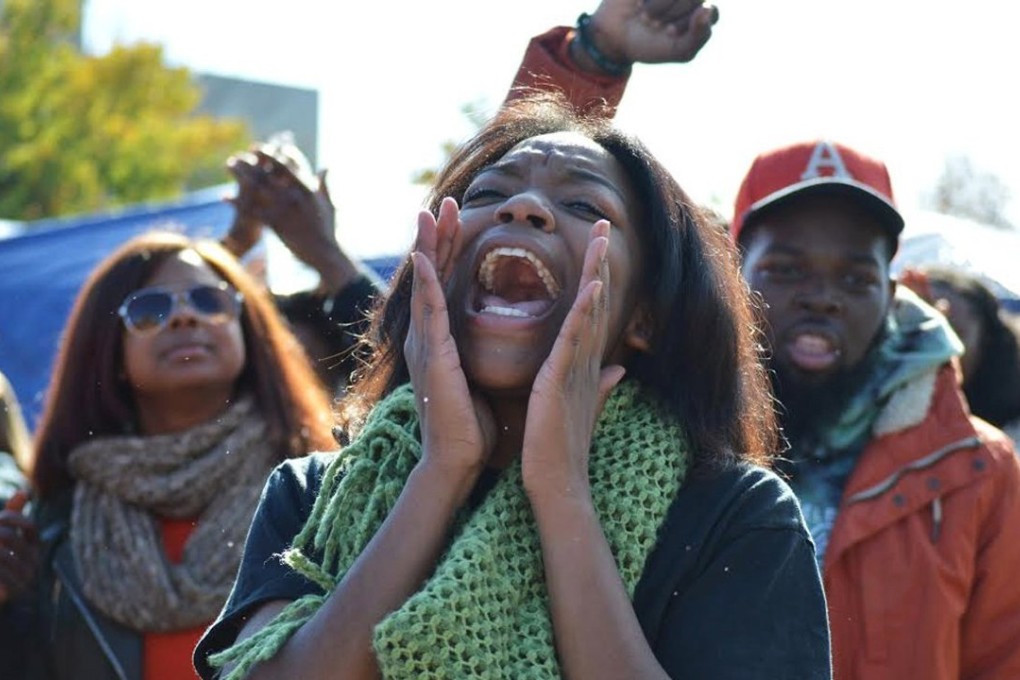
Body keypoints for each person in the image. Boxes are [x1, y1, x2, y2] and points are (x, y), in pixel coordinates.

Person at [194, 94, 831, 679]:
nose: (521, 209)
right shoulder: (311, 497)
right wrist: (441, 469)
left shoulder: (736, 516)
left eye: (585, 206)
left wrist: (561, 490)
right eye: (487, 193)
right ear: (429, 270)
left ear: (645, 317)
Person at [507, 5, 1020, 678]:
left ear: (893, 293)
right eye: (785, 269)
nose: (821, 296)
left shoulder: (978, 470)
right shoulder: (654, 415)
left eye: (855, 275)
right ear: (731, 273)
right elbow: (522, 204)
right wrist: (594, 56)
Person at [14, 231, 338, 680]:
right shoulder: (51, 522)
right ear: (109, 349)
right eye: (150, 310)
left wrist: (332, 261)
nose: (185, 316)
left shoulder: (325, 490)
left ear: (247, 328)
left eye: (210, 301)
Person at [220, 133, 385, 396]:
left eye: (301, 357)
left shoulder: (362, 430)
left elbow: (398, 361)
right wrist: (235, 245)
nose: (289, 368)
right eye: (272, 355)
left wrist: (327, 254)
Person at [901, 266, 1020, 442]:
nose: (936, 349)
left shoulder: (1010, 436)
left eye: (952, 333)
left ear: (987, 342)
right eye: (915, 334)